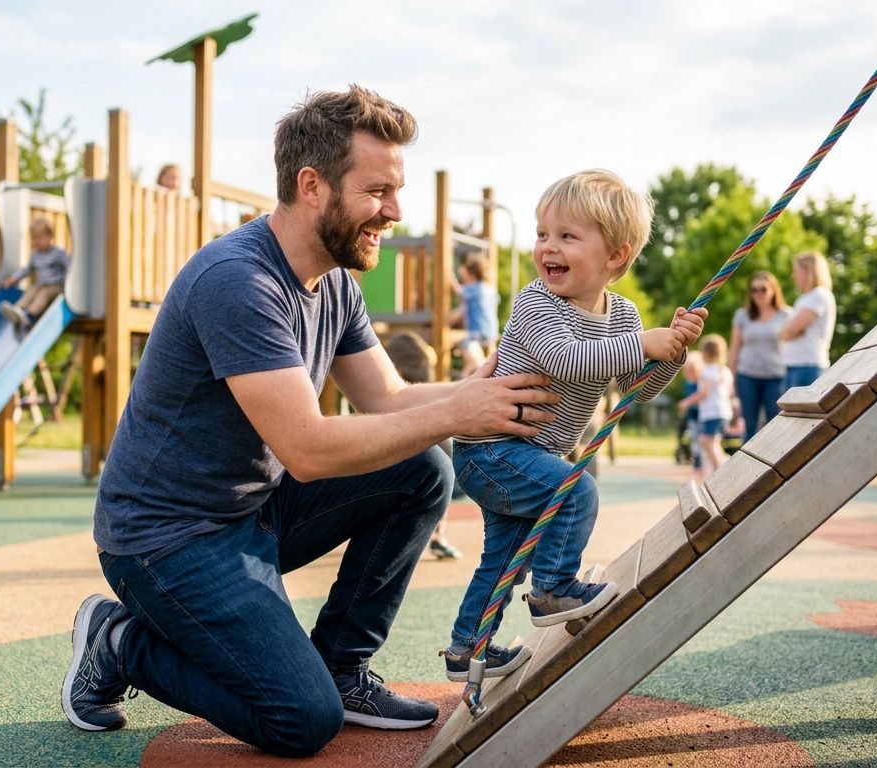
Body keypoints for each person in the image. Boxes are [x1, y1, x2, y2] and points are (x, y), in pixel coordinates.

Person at [61, 86, 560, 756]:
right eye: (378, 190)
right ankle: (118, 642)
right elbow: (307, 449)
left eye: (397, 190)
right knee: (300, 723)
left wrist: (488, 390)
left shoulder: (333, 281)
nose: (395, 211)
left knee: (420, 472)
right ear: (312, 185)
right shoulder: (239, 281)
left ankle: (341, 666)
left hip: (250, 512)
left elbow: (386, 397)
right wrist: (456, 410)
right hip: (165, 540)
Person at [441, 169, 706, 684]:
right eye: (543, 234)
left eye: (567, 236)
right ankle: (553, 589)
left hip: (527, 456)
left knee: (502, 559)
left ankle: (465, 649)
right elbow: (565, 360)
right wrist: (644, 344)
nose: (548, 248)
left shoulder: (623, 316)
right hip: (491, 450)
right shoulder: (534, 302)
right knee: (576, 491)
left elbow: (635, 389)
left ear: (616, 257)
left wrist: (668, 355)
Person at [383, 330, 462, 560]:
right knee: (438, 471)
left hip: (411, 471)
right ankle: (438, 535)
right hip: (436, 473)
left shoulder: (390, 398)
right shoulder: (431, 402)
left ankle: (434, 534)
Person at [729, 270, 791, 441]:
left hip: (776, 377)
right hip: (747, 376)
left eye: (762, 289)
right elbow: (734, 348)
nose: (758, 293)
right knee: (749, 424)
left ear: (773, 290)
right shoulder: (742, 315)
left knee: (775, 423)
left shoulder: (786, 315)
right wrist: (731, 377)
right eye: (754, 290)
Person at [778, 251, 837, 390]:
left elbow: (789, 331)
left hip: (807, 366)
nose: (793, 276)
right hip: (795, 366)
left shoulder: (819, 295)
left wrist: (787, 331)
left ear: (808, 271)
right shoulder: (805, 298)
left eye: (796, 271)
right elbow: (789, 331)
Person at [0, 217, 70, 328]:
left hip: (56, 286)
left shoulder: (58, 253)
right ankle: (18, 309)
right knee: (31, 290)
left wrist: (69, 278)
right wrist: (13, 279)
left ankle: (30, 314)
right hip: (41, 284)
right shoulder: (35, 254)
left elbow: (69, 266)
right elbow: (27, 269)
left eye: (40, 238)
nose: (36, 242)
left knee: (43, 294)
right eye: (34, 238)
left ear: (50, 236)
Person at [679, 334, 735, 474]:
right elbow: (730, 391)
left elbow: (704, 392)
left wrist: (687, 401)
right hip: (723, 413)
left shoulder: (707, 371)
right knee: (713, 443)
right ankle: (723, 465)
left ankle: (720, 470)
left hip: (712, 413)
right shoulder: (725, 371)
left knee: (705, 441)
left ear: (704, 353)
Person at [448, 254, 500, 377]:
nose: (463, 279)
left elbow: (458, 291)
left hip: (477, 331)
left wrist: (450, 276)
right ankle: (470, 371)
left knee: (466, 344)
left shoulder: (474, 288)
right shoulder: (489, 289)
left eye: (464, 275)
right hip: (492, 331)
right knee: (472, 360)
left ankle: (480, 367)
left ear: (471, 275)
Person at [676, 352, 704, 480]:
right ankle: (696, 461)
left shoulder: (701, 382)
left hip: (702, 415)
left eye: (692, 370)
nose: (689, 374)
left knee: (702, 439)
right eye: (687, 371)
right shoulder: (688, 383)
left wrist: (687, 402)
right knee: (694, 438)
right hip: (692, 415)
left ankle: (701, 463)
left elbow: (700, 396)